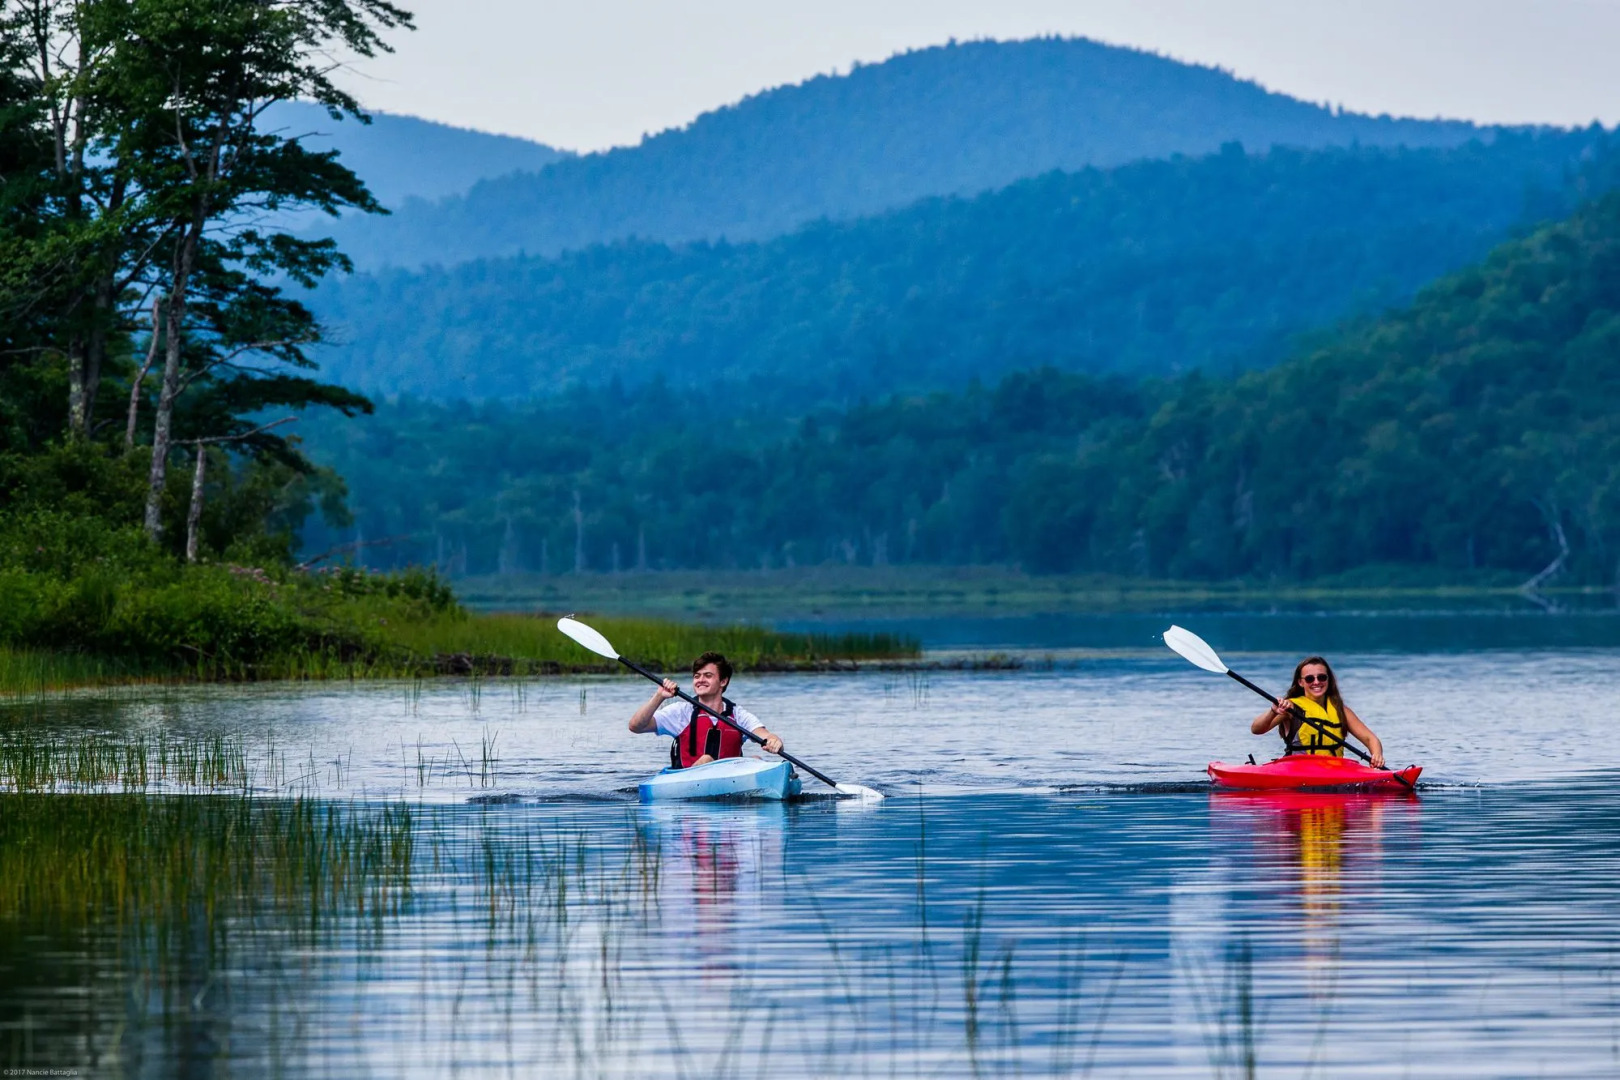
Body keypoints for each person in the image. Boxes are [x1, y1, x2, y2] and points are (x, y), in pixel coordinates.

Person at [628, 651, 784, 768]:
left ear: (723, 681)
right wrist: (659, 696)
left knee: (756, 759)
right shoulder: (681, 712)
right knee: (706, 759)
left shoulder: (738, 714)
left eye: (707, 675)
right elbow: (636, 726)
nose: (700, 680)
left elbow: (764, 734)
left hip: (730, 779)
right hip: (686, 781)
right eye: (697, 676)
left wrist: (775, 742)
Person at [1250, 656, 1386, 768]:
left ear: (1328, 679)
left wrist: (1376, 756)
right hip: (1297, 770)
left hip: (1335, 770)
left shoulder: (1341, 710)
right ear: (1300, 682)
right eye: (1310, 679)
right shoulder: (1290, 707)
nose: (1316, 682)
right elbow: (1257, 729)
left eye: (1322, 677)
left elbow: (1371, 739)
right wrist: (1273, 711)